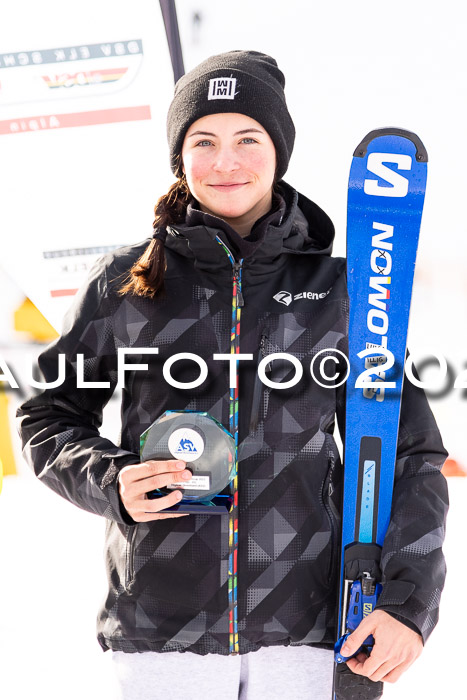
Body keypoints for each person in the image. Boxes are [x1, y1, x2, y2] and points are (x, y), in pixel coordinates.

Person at [17, 51, 448, 699]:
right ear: (178, 157)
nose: (225, 161)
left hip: (308, 631)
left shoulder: (340, 292)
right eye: (203, 141)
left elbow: (410, 454)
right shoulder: (125, 282)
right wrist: (112, 479)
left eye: (247, 139)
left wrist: (406, 604)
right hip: (164, 632)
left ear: (277, 152)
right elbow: (48, 417)